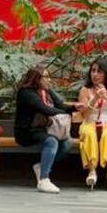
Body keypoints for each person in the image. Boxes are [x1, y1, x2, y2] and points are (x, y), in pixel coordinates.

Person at [14, 66, 79, 194]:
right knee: (51, 142)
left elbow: (60, 104)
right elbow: (45, 109)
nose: (49, 80)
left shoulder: (46, 91)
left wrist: (75, 108)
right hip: (27, 131)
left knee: (67, 142)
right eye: (46, 77)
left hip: (44, 128)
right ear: (37, 79)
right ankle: (44, 179)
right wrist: (64, 113)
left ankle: (41, 166)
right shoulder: (26, 93)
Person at [77, 58, 107, 190]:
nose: (95, 74)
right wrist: (95, 99)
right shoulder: (85, 90)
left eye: (99, 71)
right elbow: (83, 115)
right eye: (93, 71)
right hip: (90, 121)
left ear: (106, 73)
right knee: (88, 134)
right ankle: (92, 171)